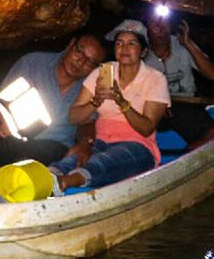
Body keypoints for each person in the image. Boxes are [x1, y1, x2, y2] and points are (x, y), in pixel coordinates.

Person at [0, 35, 106, 187]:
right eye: (80, 52)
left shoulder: (90, 86)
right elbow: (1, 99)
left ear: (94, 68)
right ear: (71, 44)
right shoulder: (34, 63)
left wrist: (86, 143)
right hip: (14, 129)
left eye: (89, 62)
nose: (81, 61)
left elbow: (87, 122)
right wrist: (6, 122)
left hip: (54, 143)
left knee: (23, 154)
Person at [50, 19, 170, 192]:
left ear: (143, 51)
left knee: (103, 161)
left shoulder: (155, 79)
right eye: (119, 43)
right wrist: (96, 101)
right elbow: (73, 116)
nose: (124, 48)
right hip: (100, 141)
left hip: (138, 146)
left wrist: (121, 101)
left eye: (132, 43)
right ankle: (47, 176)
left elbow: (146, 128)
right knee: (71, 159)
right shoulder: (101, 73)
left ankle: (64, 183)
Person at [144, 13, 214, 149]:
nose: (161, 28)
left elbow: (212, 74)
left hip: (187, 104)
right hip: (155, 110)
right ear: (146, 29)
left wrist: (188, 44)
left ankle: (183, 158)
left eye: (165, 23)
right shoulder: (141, 52)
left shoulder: (182, 44)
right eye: (155, 25)